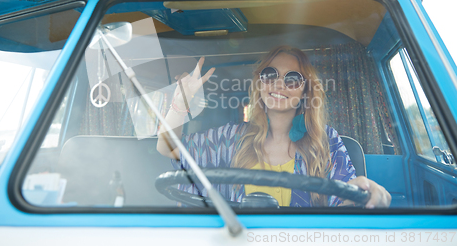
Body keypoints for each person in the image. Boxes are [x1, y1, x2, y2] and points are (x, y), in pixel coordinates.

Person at [157, 45, 391, 208]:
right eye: (270, 75)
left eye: (292, 79)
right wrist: (180, 101)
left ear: (305, 91)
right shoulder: (231, 137)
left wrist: (365, 191)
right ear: (260, 83)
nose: (279, 84)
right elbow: (169, 149)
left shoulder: (326, 141)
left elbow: (344, 199)